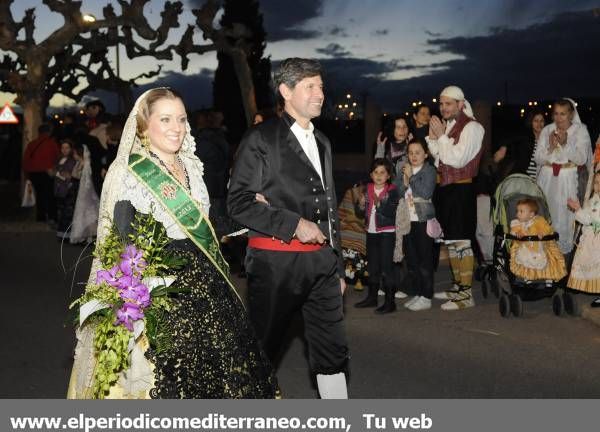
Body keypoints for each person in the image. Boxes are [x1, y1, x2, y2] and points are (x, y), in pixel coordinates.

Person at [67, 88, 277, 399]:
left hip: (207, 287)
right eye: (165, 119)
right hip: (161, 293)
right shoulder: (132, 173)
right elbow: (126, 244)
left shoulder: (190, 164)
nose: (176, 127)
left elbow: (205, 219)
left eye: (181, 119)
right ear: (143, 125)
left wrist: (249, 211)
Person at [228, 58, 349, 399]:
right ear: (286, 90)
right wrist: (293, 224)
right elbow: (237, 203)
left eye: (321, 86)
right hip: (275, 265)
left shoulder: (323, 141)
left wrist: (336, 266)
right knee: (260, 354)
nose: (320, 94)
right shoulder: (260, 139)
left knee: (332, 352)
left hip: (322, 265)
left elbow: (329, 208)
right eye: (310, 86)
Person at [426, 85, 485, 310]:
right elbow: (440, 158)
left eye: (448, 103)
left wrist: (441, 137)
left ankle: (466, 295)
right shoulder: (450, 126)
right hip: (446, 190)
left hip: (461, 190)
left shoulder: (473, 128)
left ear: (461, 104)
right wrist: (434, 139)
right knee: (451, 241)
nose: (443, 108)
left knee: (461, 242)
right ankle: (458, 286)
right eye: (441, 104)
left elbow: (457, 160)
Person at [534, 98, 592, 254]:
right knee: (544, 215)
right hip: (546, 178)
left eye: (563, 114)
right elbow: (538, 158)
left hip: (567, 180)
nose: (558, 118)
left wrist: (566, 143)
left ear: (571, 114)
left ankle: (562, 258)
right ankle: (542, 255)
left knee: (563, 217)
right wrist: (550, 148)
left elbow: (582, 158)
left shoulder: (580, 130)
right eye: (556, 114)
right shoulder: (547, 130)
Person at [354, 158, 400, 314]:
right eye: (376, 172)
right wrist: (360, 204)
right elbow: (359, 213)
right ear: (371, 175)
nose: (379, 175)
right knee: (372, 266)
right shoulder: (367, 189)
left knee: (387, 267)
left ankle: (390, 302)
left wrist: (379, 202)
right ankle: (372, 297)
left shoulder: (393, 190)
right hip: (371, 232)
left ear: (388, 176)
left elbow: (390, 212)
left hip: (387, 232)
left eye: (383, 172)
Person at [396, 140, 437, 311]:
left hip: (422, 220)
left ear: (426, 154)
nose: (413, 156)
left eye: (418, 152)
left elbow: (426, 192)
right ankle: (419, 293)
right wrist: (404, 180)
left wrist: (411, 176)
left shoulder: (429, 170)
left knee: (424, 261)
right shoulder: (405, 168)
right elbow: (398, 192)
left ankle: (427, 296)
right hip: (407, 220)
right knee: (412, 260)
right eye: (411, 152)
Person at [509, 198, 566, 281]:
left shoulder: (539, 220)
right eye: (517, 211)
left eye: (521, 211)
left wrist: (542, 232)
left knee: (543, 258)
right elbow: (513, 231)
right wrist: (517, 233)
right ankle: (528, 275)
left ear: (531, 214)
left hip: (538, 245)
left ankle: (547, 276)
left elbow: (547, 228)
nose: (518, 214)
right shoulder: (517, 223)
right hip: (525, 246)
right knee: (524, 259)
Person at [567, 171, 600, 307]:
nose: (598, 186)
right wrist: (579, 210)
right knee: (587, 261)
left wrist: (578, 210)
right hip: (590, 238)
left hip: (597, 239)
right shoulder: (594, 199)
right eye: (596, 183)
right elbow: (586, 216)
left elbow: (592, 219)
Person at [22, 123, 59, 223]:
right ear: (49, 132)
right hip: (47, 172)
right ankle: (52, 216)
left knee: (40, 195)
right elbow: (57, 157)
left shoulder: (32, 144)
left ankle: (41, 217)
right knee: (50, 195)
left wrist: (27, 175)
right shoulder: (52, 143)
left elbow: (25, 160)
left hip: (34, 174)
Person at [494, 109, 546, 180]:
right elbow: (506, 137)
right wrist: (503, 148)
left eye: (541, 121)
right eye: (536, 121)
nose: (539, 124)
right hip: (523, 178)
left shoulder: (546, 139)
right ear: (531, 122)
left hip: (540, 179)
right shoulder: (525, 135)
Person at [53, 139, 78, 239]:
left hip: (68, 190)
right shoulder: (60, 159)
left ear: (71, 149)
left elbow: (71, 175)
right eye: (62, 147)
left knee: (67, 213)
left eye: (67, 148)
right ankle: (61, 233)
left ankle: (66, 235)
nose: (64, 150)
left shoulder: (72, 160)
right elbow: (57, 172)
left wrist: (63, 174)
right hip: (59, 189)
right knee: (62, 212)